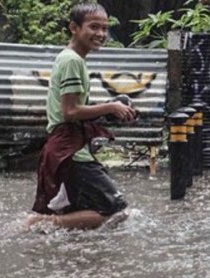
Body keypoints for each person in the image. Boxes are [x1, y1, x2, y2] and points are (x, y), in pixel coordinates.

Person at [25, 2, 136, 231]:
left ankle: (62, 242)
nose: (101, 34)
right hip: (71, 151)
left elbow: (73, 109)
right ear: (74, 28)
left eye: (105, 28)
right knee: (117, 210)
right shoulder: (72, 60)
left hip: (68, 147)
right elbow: (70, 111)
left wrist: (110, 109)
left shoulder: (72, 59)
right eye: (94, 27)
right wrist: (110, 106)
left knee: (83, 210)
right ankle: (43, 222)